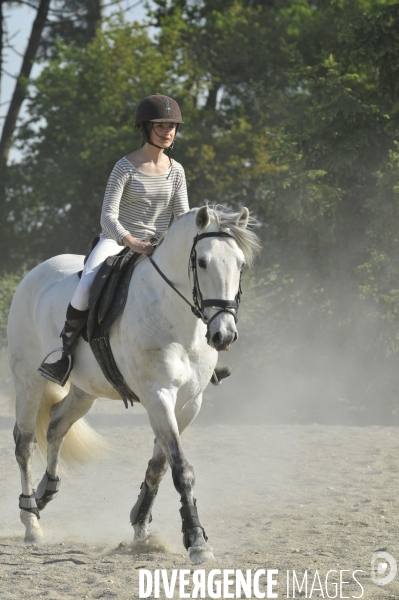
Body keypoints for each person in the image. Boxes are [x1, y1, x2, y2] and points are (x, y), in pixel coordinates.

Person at [38, 94, 231, 388]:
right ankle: (63, 352)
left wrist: (175, 245)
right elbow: (108, 217)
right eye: (160, 126)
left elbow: (181, 218)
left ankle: (199, 357)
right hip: (118, 239)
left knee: (195, 281)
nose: (167, 132)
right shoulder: (125, 166)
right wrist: (131, 242)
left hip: (159, 244)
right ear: (144, 128)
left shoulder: (176, 171)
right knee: (87, 281)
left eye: (172, 127)